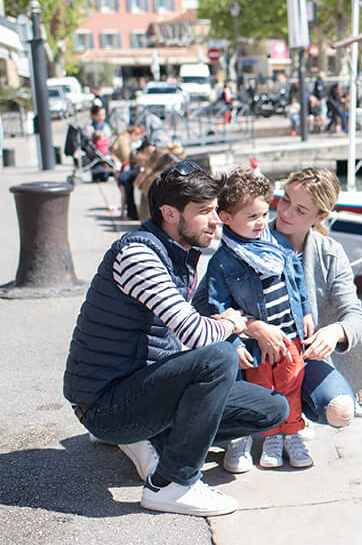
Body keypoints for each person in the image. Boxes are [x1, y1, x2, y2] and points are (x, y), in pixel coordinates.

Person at [63, 162, 289, 516]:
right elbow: (195, 334)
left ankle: (149, 438)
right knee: (219, 358)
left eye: (215, 210)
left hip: (141, 391)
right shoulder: (138, 254)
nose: (215, 220)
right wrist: (237, 322)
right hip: (104, 404)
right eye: (204, 212)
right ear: (169, 213)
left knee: (273, 408)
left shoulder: (179, 252)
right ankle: (171, 484)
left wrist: (227, 323)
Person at [198, 170, 315, 472]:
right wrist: (234, 340)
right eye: (252, 216)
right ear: (225, 217)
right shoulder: (222, 262)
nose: (262, 222)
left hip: (289, 334)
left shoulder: (278, 244)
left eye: (265, 213)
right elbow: (218, 308)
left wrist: (306, 312)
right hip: (254, 342)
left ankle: (289, 435)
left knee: (290, 384)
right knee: (258, 390)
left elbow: (296, 280)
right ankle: (250, 438)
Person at [252, 168, 362, 432]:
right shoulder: (248, 239)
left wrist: (335, 332)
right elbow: (207, 303)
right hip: (254, 354)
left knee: (340, 412)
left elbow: (355, 315)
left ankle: (298, 412)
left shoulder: (330, 253)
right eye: (285, 199)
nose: (285, 212)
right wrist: (253, 327)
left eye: (300, 210)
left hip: (304, 358)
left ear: (321, 216)